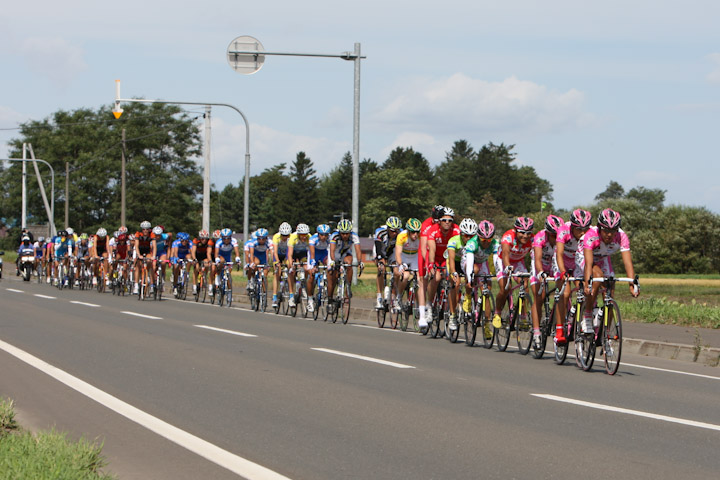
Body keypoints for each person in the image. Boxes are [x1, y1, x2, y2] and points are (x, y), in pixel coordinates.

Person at [577, 208, 639, 333]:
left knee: (610, 292)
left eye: (612, 231)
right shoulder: (591, 235)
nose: (609, 234)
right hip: (585, 257)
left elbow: (627, 262)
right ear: (600, 228)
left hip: (603, 258)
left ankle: (606, 335)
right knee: (597, 276)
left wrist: (632, 284)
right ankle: (587, 315)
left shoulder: (622, 236)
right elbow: (588, 263)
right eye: (606, 230)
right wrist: (588, 282)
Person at [554, 209, 592, 342]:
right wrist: (563, 271)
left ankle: (579, 317)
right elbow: (558, 253)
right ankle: (559, 329)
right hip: (562, 260)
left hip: (577, 260)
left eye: (585, 229)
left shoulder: (590, 233)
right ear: (572, 227)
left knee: (585, 289)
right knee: (564, 294)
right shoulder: (564, 230)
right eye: (579, 229)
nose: (582, 232)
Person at [492, 217, 534, 328]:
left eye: (528, 233)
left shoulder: (533, 239)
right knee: (505, 287)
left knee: (525, 285)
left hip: (518, 261)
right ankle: (497, 312)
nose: (525, 236)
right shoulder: (508, 237)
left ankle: (523, 316)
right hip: (502, 260)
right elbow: (505, 254)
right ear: (515, 230)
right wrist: (508, 267)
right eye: (522, 232)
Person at [530, 215, 564, 348]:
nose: (557, 238)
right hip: (540, 264)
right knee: (539, 296)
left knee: (562, 291)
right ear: (548, 233)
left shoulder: (561, 239)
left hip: (553, 263)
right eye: (553, 235)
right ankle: (536, 332)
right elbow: (537, 259)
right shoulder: (539, 237)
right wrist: (540, 272)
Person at [426, 207, 460, 320]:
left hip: (448, 259)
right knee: (435, 278)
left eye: (450, 220)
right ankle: (429, 305)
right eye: (444, 220)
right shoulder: (433, 230)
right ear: (439, 221)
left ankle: (453, 308)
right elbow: (432, 249)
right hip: (435, 257)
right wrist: (431, 264)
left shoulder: (456, 230)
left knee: (452, 279)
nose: (447, 223)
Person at [444, 218, 478, 330]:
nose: (468, 238)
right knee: (456, 283)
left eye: (471, 236)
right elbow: (452, 259)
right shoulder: (454, 241)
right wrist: (453, 273)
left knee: (472, 277)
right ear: (461, 234)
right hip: (455, 263)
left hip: (466, 263)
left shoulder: (475, 242)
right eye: (466, 235)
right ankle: (452, 315)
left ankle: (469, 300)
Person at [327, 219, 363, 314]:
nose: (345, 236)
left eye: (347, 233)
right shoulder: (334, 236)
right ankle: (330, 299)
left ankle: (347, 287)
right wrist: (334, 262)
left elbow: (358, 250)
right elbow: (332, 252)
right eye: (343, 233)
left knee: (349, 263)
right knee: (332, 277)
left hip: (345, 253)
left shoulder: (354, 236)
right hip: (334, 253)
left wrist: (360, 261)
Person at [418, 205, 445, 322]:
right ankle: (424, 313)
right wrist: (428, 263)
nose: (438, 223)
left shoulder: (445, 225)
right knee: (423, 279)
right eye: (436, 220)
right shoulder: (426, 225)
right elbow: (424, 248)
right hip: (427, 252)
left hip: (441, 254)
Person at [394, 218, 422, 323]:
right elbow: (398, 253)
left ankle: (419, 305)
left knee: (420, 279)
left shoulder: (420, 236)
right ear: (408, 231)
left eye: (417, 232)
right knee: (405, 276)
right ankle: (399, 297)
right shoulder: (402, 236)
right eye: (413, 232)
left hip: (415, 256)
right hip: (404, 257)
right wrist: (400, 264)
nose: (415, 234)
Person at [373, 216, 402, 309]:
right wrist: (380, 260)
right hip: (380, 250)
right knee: (381, 269)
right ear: (388, 229)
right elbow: (378, 249)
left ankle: (393, 299)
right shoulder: (380, 232)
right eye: (392, 231)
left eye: (396, 231)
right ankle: (379, 297)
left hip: (392, 252)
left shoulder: (401, 234)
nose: (394, 233)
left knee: (397, 272)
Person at [307, 224, 331, 313]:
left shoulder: (330, 239)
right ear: (318, 234)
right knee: (312, 274)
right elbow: (312, 253)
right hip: (314, 254)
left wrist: (331, 264)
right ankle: (309, 299)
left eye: (326, 235)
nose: (324, 237)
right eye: (321, 235)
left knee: (330, 268)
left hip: (324, 254)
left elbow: (331, 252)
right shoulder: (313, 239)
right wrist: (313, 265)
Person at [286, 223, 312, 308]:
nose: (304, 237)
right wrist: (291, 264)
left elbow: (310, 253)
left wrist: (310, 264)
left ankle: (304, 283)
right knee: (291, 270)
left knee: (307, 268)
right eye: (302, 235)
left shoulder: (309, 237)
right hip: (293, 253)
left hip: (303, 254)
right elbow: (289, 254)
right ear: (298, 234)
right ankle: (291, 296)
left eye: (305, 235)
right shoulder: (293, 237)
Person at [215, 228, 243, 296]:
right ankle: (218, 276)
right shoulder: (219, 242)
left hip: (228, 257)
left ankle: (229, 293)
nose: (226, 240)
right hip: (221, 256)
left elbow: (236, 251)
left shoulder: (234, 241)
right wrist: (217, 260)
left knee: (229, 274)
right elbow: (216, 253)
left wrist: (237, 258)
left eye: (228, 238)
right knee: (221, 262)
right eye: (224, 238)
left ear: (230, 237)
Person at [246, 228, 271, 299]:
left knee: (264, 275)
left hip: (263, 257)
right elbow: (251, 253)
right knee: (255, 264)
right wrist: (251, 263)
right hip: (256, 256)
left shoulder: (269, 242)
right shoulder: (253, 242)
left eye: (263, 239)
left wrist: (269, 263)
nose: (261, 240)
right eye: (259, 238)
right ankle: (251, 281)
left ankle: (264, 294)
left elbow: (269, 254)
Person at [271, 222, 292, 307]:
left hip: (286, 254)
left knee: (290, 267)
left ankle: (288, 285)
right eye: (283, 235)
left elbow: (290, 252)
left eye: (286, 235)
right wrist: (277, 262)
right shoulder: (276, 237)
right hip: (278, 255)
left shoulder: (291, 238)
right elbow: (275, 252)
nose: (284, 237)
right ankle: (274, 297)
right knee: (277, 273)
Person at [133, 221, 156, 295]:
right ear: (141, 229)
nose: (145, 231)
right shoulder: (138, 234)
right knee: (138, 266)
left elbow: (154, 247)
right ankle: (136, 285)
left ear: (149, 229)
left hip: (147, 250)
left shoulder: (152, 235)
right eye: (143, 229)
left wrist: (154, 256)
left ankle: (150, 280)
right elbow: (136, 246)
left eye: (147, 229)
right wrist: (139, 255)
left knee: (150, 262)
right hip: (140, 250)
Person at [171, 232, 195, 296]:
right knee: (176, 269)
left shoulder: (190, 243)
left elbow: (192, 252)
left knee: (189, 258)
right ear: (180, 240)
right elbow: (175, 253)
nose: (184, 242)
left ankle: (187, 273)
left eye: (186, 241)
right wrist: (176, 259)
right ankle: (175, 286)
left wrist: (193, 259)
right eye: (183, 241)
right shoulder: (176, 243)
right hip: (178, 255)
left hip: (185, 255)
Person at [191, 230, 214, 295]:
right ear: (200, 238)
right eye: (202, 239)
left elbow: (208, 253)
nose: (204, 240)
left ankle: (204, 275)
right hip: (197, 255)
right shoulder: (196, 240)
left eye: (205, 239)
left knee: (206, 264)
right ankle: (194, 286)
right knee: (196, 269)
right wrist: (194, 259)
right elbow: (193, 252)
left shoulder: (209, 242)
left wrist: (210, 261)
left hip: (204, 255)